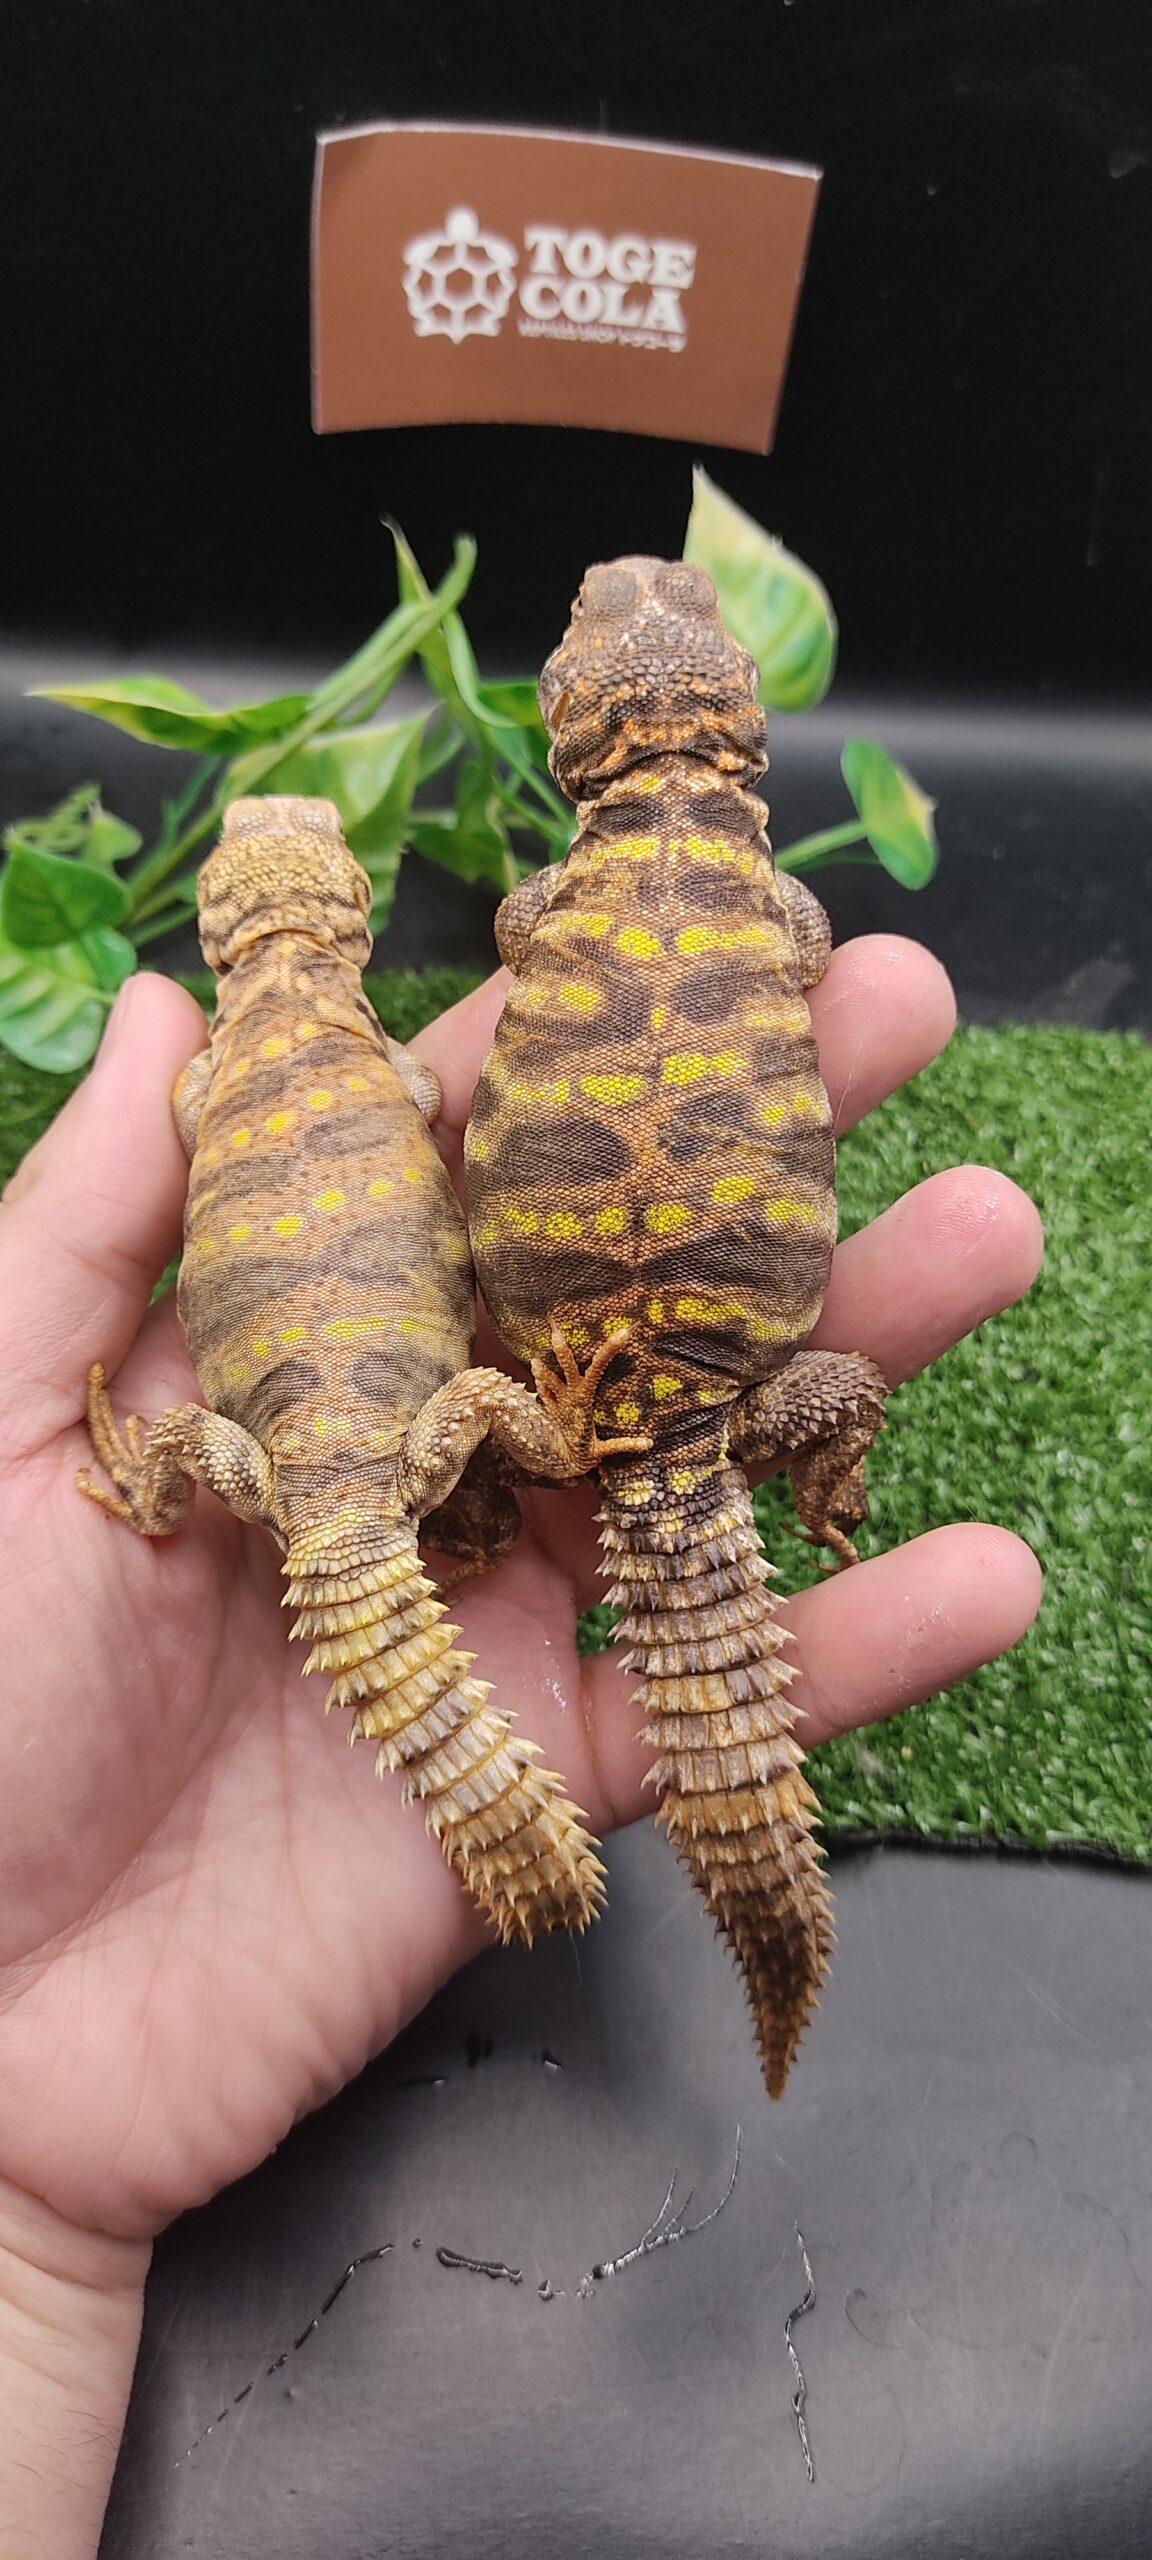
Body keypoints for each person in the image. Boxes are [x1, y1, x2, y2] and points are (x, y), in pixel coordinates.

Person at [0, 945, 1043, 2550]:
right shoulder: (407, 1072)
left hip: (387, 1454)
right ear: (346, 931)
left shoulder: (215, 1085)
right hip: (460, 1441)